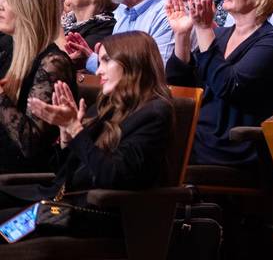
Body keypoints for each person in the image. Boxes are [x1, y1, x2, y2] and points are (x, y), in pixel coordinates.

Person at [2, 31, 173, 232]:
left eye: (106, 61)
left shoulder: (154, 114)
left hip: (95, 215)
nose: (99, 71)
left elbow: (113, 177)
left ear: (132, 62)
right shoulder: (107, 106)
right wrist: (66, 135)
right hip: (59, 204)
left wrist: (75, 128)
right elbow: (62, 172)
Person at [166, 0, 273, 168]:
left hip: (232, 147)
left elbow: (228, 85)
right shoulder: (222, 35)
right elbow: (182, 85)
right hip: (198, 137)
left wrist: (205, 29)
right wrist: (182, 35)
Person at [0, 0, 75, 173]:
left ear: (28, 7)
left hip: (23, 181)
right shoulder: (7, 50)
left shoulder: (53, 64)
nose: (0, 4)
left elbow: (30, 146)